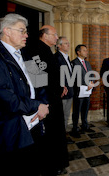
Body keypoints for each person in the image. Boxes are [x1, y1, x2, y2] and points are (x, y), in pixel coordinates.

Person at [0, 13, 49, 175]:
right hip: (12, 128)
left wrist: (43, 105)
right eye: (22, 31)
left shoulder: (27, 54)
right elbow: (5, 97)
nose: (26, 35)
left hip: (35, 121)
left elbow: (41, 82)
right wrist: (36, 105)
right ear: (7, 31)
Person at [22, 25, 69, 175]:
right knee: (49, 134)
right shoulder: (34, 49)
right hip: (46, 100)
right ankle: (50, 166)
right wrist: (55, 90)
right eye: (54, 35)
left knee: (57, 132)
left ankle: (58, 162)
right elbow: (37, 78)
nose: (57, 38)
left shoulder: (48, 50)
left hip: (54, 97)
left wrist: (61, 86)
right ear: (44, 35)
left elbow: (52, 73)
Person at [71, 44, 95, 137]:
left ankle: (85, 125)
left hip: (88, 90)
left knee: (85, 109)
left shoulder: (87, 63)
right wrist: (86, 84)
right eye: (84, 50)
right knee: (77, 110)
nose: (86, 52)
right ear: (78, 52)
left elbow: (91, 74)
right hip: (79, 91)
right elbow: (74, 77)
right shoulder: (74, 63)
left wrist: (92, 82)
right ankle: (75, 128)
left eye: (86, 50)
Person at [54, 37, 74, 134]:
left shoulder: (67, 57)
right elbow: (55, 76)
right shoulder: (56, 57)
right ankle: (60, 137)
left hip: (69, 91)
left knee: (66, 116)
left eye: (68, 43)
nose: (68, 45)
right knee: (60, 117)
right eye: (66, 43)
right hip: (62, 93)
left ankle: (63, 136)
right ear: (59, 46)